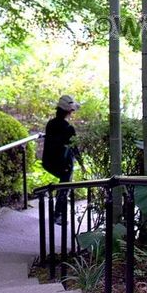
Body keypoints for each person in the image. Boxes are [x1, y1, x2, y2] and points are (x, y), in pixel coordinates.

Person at [41, 94, 85, 225]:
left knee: (62, 186)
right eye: (72, 110)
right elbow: (74, 148)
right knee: (64, 187)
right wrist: (82, 164)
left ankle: (58, 211)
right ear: (69, 111)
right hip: (63, 164)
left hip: (48, 162)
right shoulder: (68, 128)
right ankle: (57, 215)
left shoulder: (51, 124)